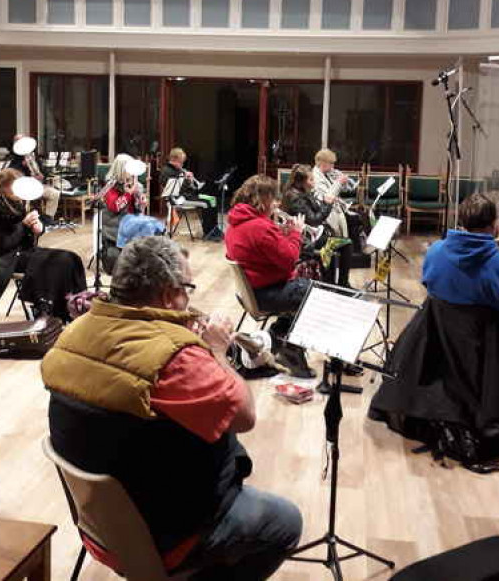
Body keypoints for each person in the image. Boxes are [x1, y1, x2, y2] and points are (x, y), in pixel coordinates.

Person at [42, 236, 302, 580]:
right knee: (285, 521)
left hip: (101, 527)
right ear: (167, 294)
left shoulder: (75, 331)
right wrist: (217, 352)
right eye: (187, 289)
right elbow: (244, 416)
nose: (189, 299)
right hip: (165, 537)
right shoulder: (175, 359)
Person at [421, 192, 499, 349]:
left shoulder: (434, 252)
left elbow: (430, 286)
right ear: (494, 226)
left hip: (448, 340)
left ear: (462, 223)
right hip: (494, 348)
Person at [224, 174, 314, 378]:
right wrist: (296, 233)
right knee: (314, 293)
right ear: (262, 200)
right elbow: (290, 258)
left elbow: (263, 250)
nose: (277, 203)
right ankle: (286, 345)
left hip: (253, 290)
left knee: (307, 287)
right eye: (273, 199)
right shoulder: (260, 227)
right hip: (266, 293)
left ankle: (277, 339)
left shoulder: (237, 222)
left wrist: (280, 233)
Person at [0, 168, 86, 321]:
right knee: (60, 261)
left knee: (71, 258)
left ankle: (76, 307)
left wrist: (36, 229)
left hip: (21, 252)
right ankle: (48, 309)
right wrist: (24, 225)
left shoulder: (13, 201)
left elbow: (23, 236)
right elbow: (2, 245)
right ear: (4, 187)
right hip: (6, 259)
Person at [281, 163, 353, 287]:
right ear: (302, 182)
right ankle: (341, 285)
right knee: (347, 244)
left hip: (311, 234)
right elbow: (315, 220)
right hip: (308, 239)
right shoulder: (295, 197)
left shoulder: (301, 192)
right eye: (311, 179)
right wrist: (327, 204)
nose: (314, 182)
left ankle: (333, 283)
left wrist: (323, 201)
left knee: (337, 240)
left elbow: (314, 212)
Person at [310, 148, 358, 284]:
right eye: (330, 163)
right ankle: (333, 283)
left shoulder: (326, 174)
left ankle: (343, 283)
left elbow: (340, 191)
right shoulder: (315, 176)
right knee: (339, 246)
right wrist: (338, 183)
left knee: (348, 241)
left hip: (335, 213)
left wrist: (344, 183)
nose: (333, 167)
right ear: (321, 162)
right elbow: (327, 197)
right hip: (325, 220)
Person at [159, 147, 218, 238]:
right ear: (174, 159)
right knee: (207, 203)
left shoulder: (177, 170)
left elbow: (188, 188)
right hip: (179, 199)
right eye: (181, 162)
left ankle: (214, 229)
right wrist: (187, 181)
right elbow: (176, 190)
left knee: (212, 199)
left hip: (186, 196)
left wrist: (192, 183)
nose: (182, 165)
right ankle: (208, 232)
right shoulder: (166, 171)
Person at [6, 134, 60, 220]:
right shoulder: (12, 158)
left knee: (54, 193)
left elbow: (43, 171)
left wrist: (43, 176)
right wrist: (22, 166)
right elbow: (11, 175)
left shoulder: (33, 156)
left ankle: (47, 219)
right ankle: (25, 219)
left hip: (39, 186)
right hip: (23, 188)